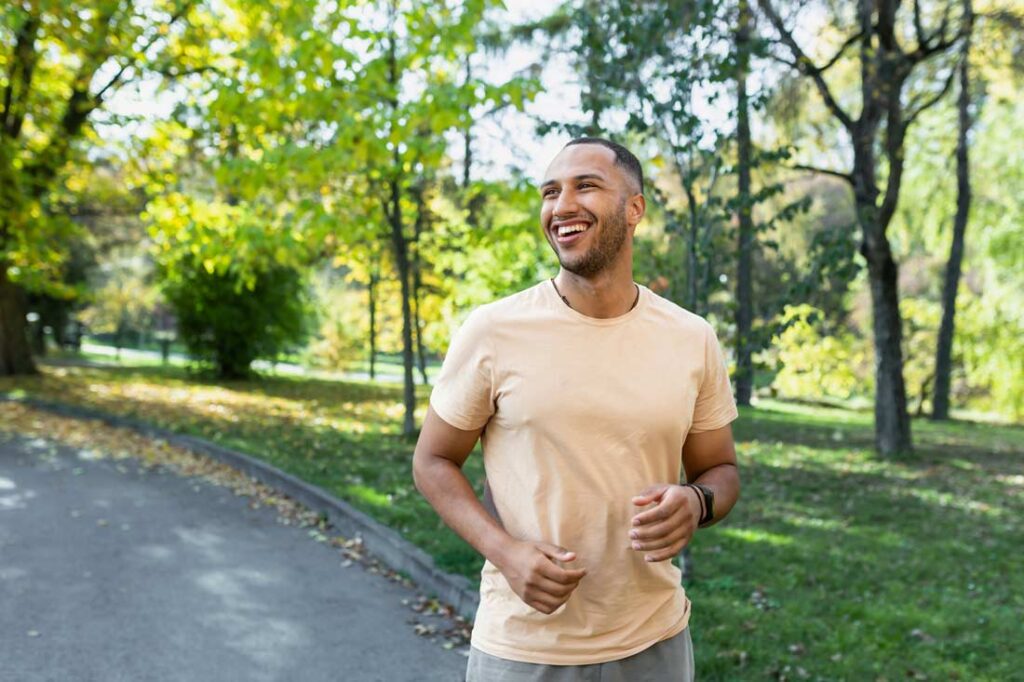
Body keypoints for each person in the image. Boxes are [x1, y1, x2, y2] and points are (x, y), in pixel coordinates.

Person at [412, 137, 740, 681]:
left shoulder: (691, 337)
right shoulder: (494, 330)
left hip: (654, 640)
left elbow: (720, 470)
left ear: (634, 208)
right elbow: (432, 462)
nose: (561, 205)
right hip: (523, 646)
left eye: (585, 186)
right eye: (549, 192)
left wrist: (698, 501)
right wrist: (506, 553)